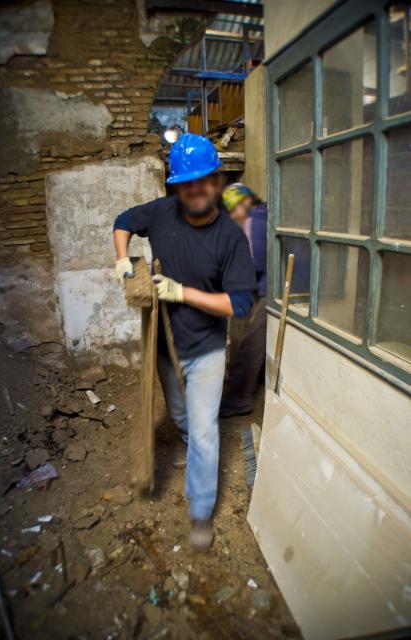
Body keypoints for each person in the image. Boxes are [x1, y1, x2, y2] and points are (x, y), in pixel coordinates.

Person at [112, 134, 257, 550]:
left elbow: (242, 302)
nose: (195, 189)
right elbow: (123, 220)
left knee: (206, 431)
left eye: (203, 180)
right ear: (175, 185)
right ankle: (194, 454)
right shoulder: (159, 214)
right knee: (183, 418)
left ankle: (200, 511)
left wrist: (182, 293)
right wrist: (123, 260)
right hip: (165, 346)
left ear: (216, 180)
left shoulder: (230, 237)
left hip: (208, 350)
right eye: (186, 182)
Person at [220, 183, 268, 418]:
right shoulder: (266, 213)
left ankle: (239, 400)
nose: (232, 216)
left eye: (233, 210)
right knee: (246, 335)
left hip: (274, 290)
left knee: (251, 343)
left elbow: (255, 263)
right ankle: (238, 387)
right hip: (270, 285)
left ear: (245, 202)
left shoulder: (254, 220)